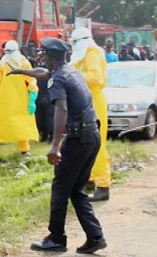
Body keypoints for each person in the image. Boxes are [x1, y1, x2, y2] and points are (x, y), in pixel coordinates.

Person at [14, 38, 106, 254]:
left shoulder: (59, 80)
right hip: (91, 135)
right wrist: (21, 72)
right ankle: (95, 237)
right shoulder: (70, 71)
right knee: (76, 190)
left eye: (43, 55)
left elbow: (61, 110)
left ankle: (56, 238)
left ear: (50, 57)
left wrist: (55, 145)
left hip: (77, 140)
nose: (41, 58)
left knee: (60, 188)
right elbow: (43, 73)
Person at [69, 28, 110, 202]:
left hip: (94, 104)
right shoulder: (81, 56)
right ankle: (91, 179)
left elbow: (96, 78)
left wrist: (73, 75)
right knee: (85, 144)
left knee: (96, 144)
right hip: (84, 103)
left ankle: (103, 185)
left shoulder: (91, 53)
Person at [0, 40, 39, 156]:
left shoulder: (23, 63)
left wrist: (32, 99)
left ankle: (24, 151)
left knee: (21, 124)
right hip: (4, 99)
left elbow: (32, 81)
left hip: (20, 99)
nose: (8, 54)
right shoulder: (2, 63)